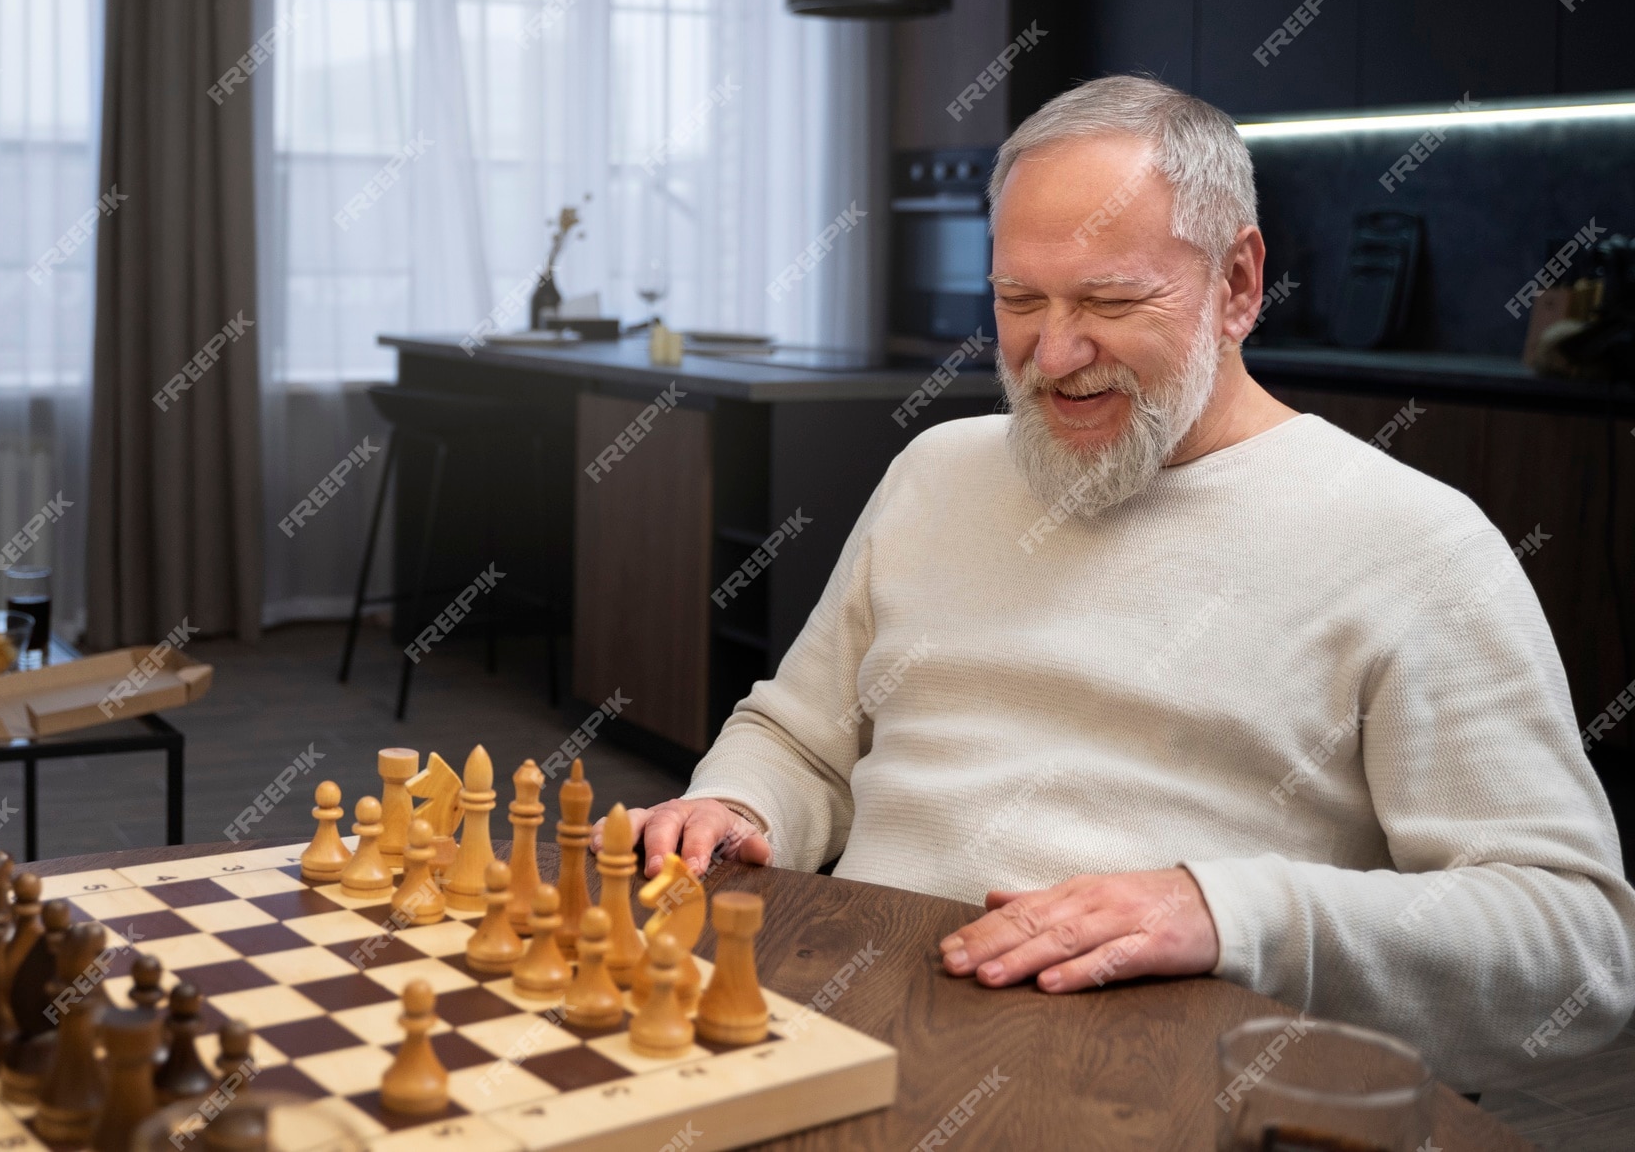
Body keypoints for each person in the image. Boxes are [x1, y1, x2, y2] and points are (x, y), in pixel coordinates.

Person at [598, 74, 1635, 1086]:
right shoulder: (935, 471)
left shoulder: (1414, 543)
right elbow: (799, 734)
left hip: (1149, 1082)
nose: (1052, 353)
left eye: (1108, 298)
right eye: (1016, 298)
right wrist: (742, 799)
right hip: (848, 1023)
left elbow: (1575, 947)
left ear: (1236, 284)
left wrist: (1222, 911)